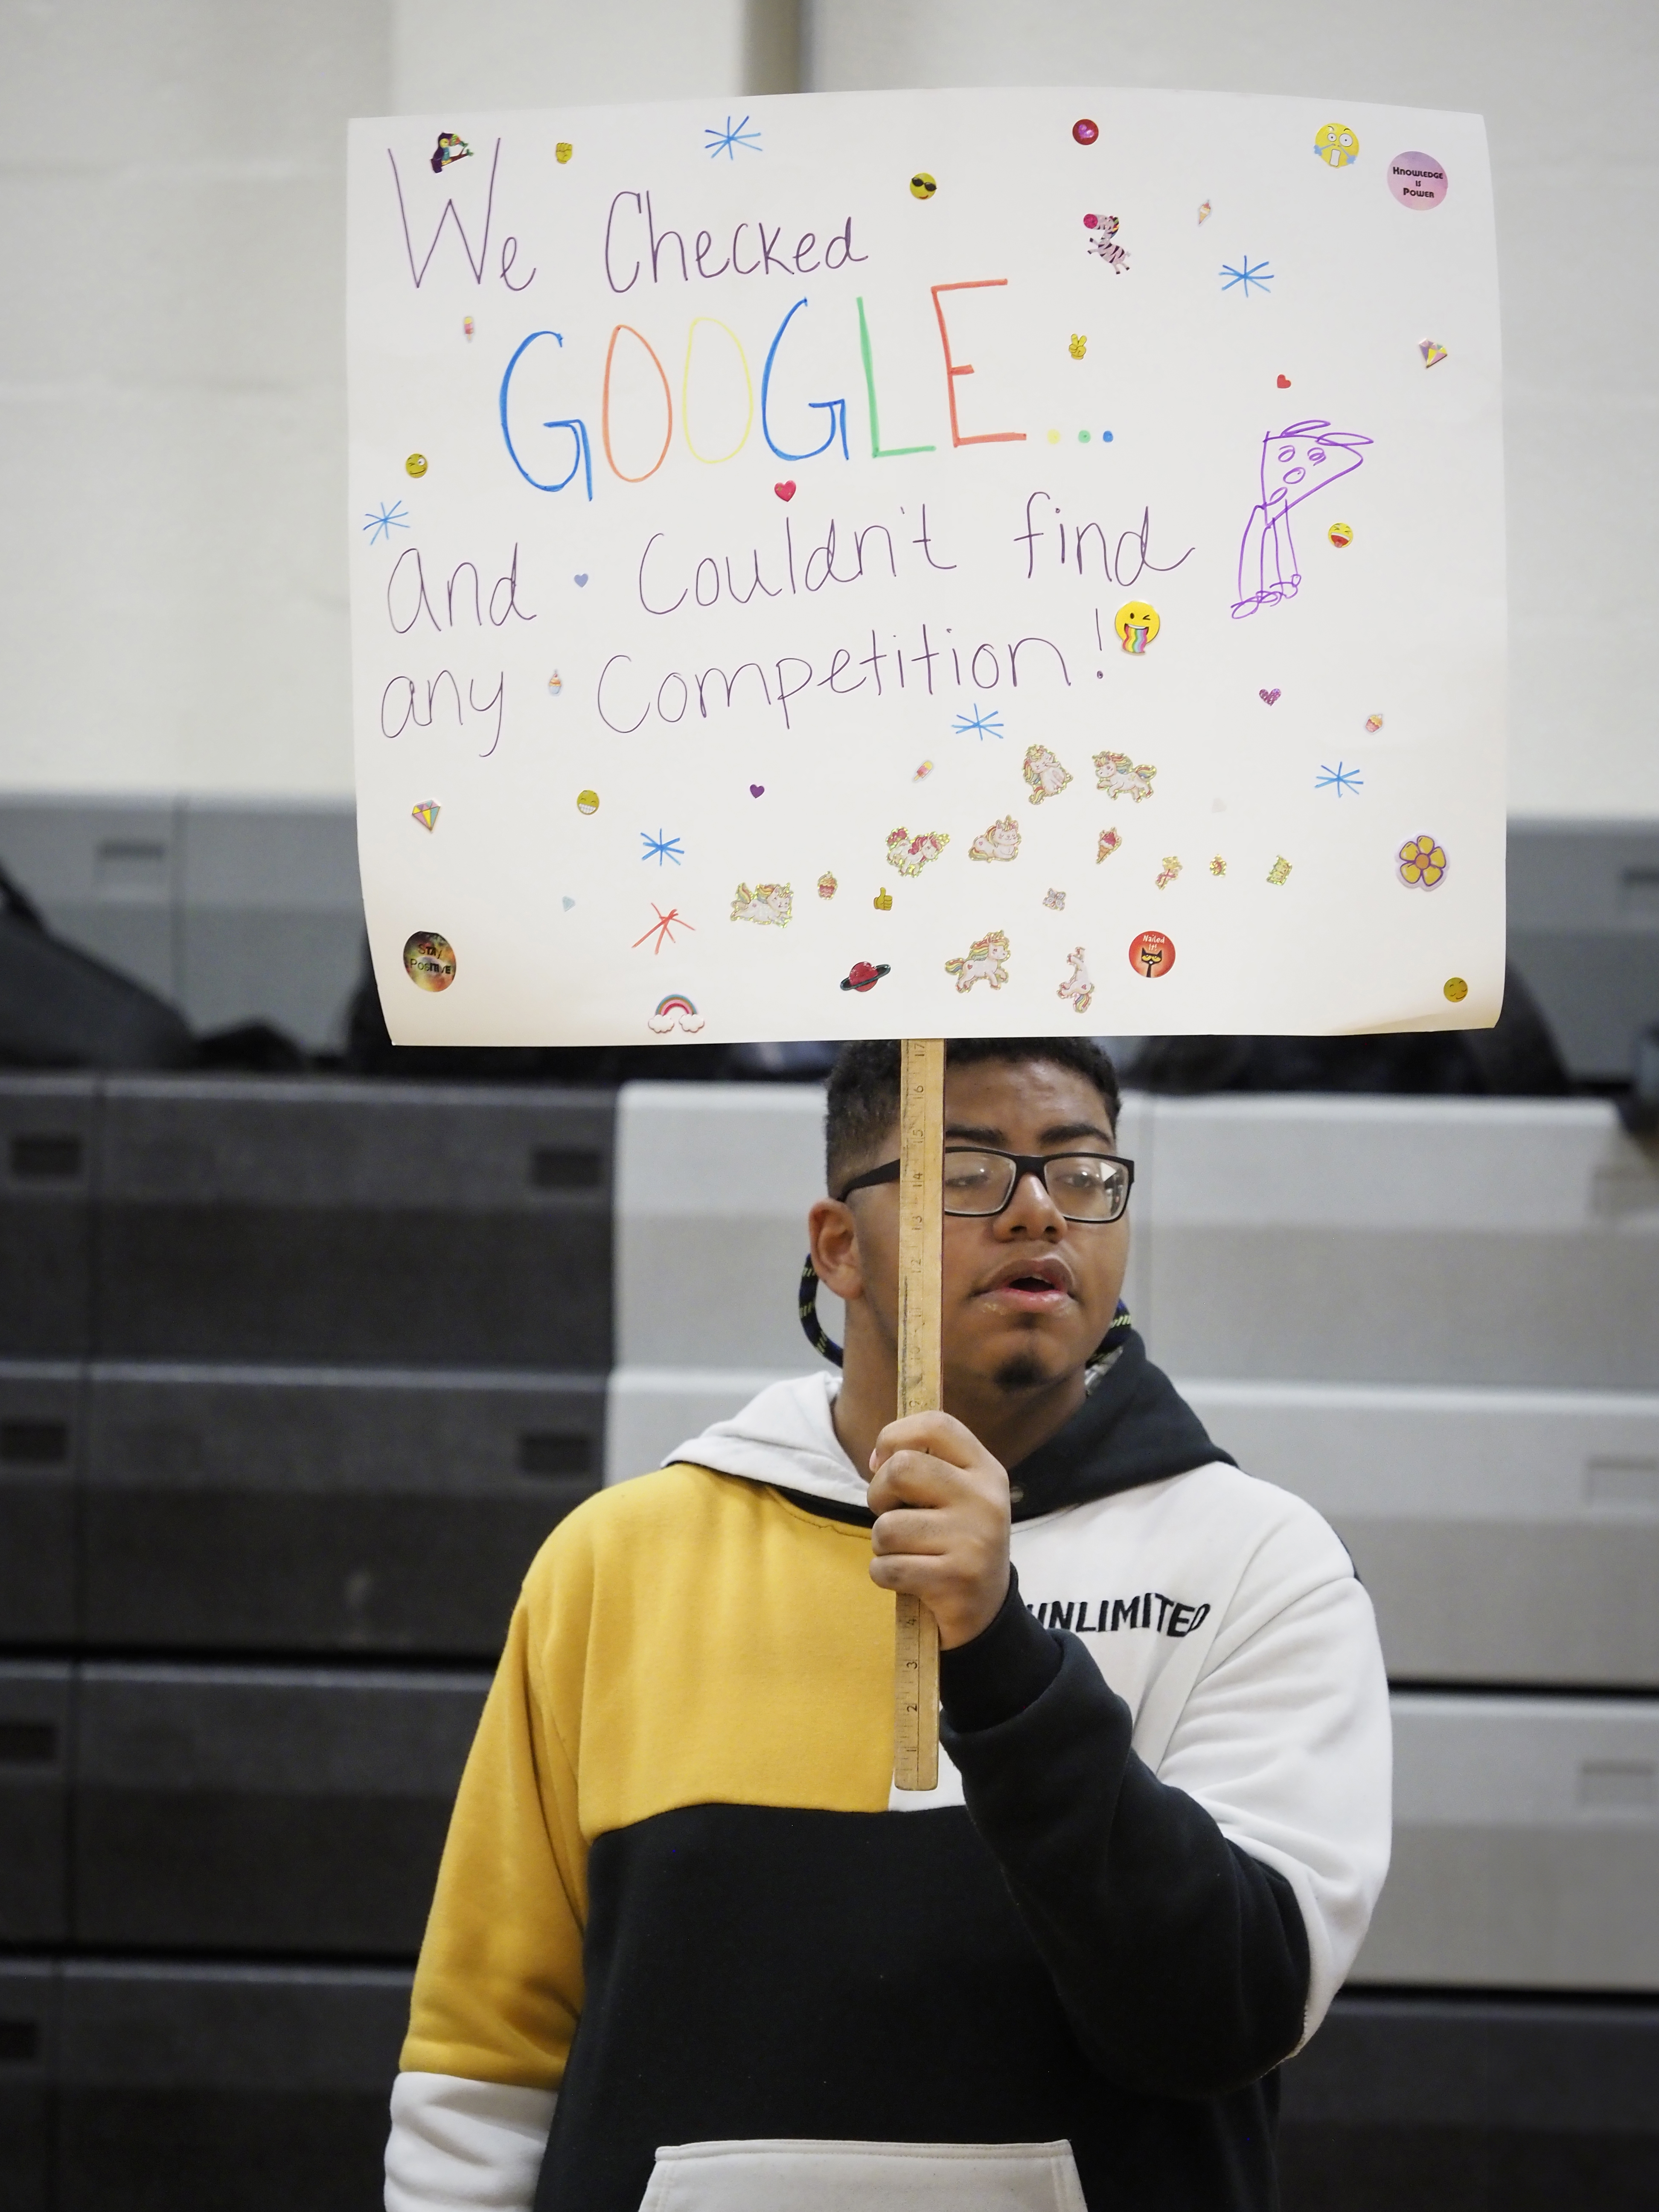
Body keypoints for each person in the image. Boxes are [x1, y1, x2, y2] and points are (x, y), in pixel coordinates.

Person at [384, 1037, 1391, 2212]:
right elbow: (483, 2070)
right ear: (838, 1247)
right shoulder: (617, 1562)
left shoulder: (1262, 1563)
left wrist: (1004, 1656)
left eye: (1081, 1172)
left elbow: (1219, 2018)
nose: (1035, 1215)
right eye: (966, 1172)